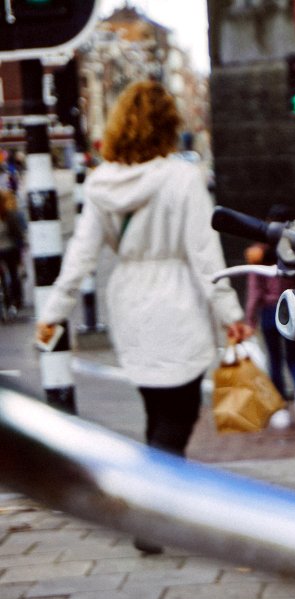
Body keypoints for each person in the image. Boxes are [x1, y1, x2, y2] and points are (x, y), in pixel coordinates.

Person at [35, 81, 252, 551]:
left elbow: (80, 256)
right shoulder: (182, 178)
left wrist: (54, 312)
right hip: (178, 300)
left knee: (157, 410)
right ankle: (152, 514)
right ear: (169, 125)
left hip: (131, 301)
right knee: (180, 413)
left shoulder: (99, 183)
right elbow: (204, 254)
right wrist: (230, 313)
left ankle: (151, 506)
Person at [244, 208, 295, 424]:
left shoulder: (259, 254)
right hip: (292, 309)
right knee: (293, 358)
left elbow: (255, 291)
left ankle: (281, 407)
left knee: (275, 360)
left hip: (269, 311)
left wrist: (250, 320)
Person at [0, 187, 25, 316]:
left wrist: (21, 249)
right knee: (3, 278)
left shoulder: (9, 216)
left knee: (13, 274)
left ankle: (16, 299)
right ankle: (6, 300)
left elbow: (17, 234)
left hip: (10, 250)